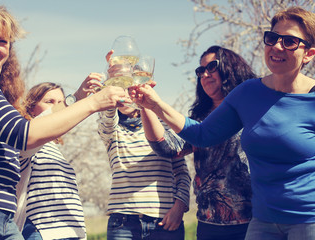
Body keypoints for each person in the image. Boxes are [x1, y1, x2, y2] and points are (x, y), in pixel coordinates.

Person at [132, 6, 315, 240]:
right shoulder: (248, 93)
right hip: (263, 221)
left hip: (308, 221)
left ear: (308, 54)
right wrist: (155, 104)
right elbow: (201, 134)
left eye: (289, 41)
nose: (277, 46)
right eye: (272, 38)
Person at [0, 3, 128, 240]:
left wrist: (77, 98)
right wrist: (94, 102)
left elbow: (34, 127)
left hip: (3, 215)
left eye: (3, 41)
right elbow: (24, 134)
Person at [140, 45, 256, 240]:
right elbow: (165, 147)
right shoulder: (199, 120)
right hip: (208, 225)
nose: (204, 74)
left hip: (251, 222)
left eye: (212, 67)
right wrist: (146, 105)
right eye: (200, 70)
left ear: (230, 68)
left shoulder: (250, 109)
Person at [98, 51, 191, 240]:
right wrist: (112, 80)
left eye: (129, 87)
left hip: (164, 221)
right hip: (122, 224)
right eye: (119, 87)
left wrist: (179, 208)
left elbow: (182, 172)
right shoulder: (111, 129)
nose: (124, 93)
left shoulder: (163, 126)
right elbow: (107, 120)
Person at [15, 81, 102, 240]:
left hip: (71, 232)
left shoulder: (53, 149)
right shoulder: (27, 142)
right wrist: (78, 97)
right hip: (43, 232)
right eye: (49, 102)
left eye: (61, 102)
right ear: (31, 108)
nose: (58, 107)